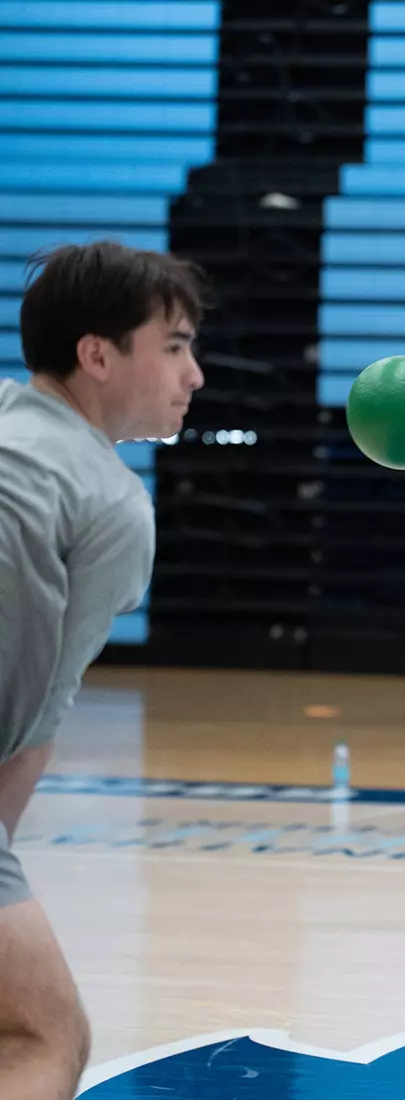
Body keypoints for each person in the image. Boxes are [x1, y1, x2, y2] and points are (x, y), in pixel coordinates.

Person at [0, 241, 205, 1099]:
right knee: (43, 1037)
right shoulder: (109, 501)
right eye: (173, 345)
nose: (193, 374)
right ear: (96, 355)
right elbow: (27, 714)